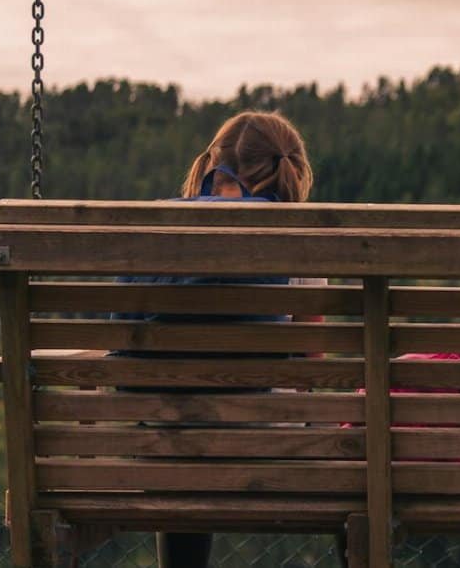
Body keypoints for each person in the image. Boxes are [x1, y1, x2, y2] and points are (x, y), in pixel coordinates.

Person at [111, 111, 314, 568]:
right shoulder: (300, 236)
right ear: (291, 172)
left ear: (211, 167)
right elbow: (310, 361)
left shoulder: (164, 229)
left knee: (182, 445)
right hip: (262, 440)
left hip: (166, 437)